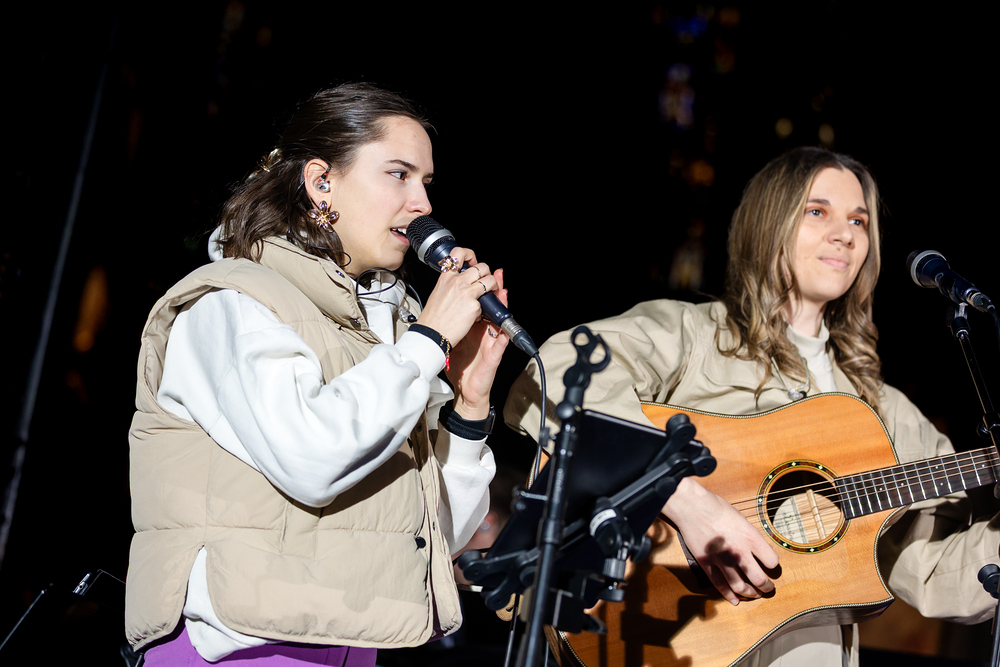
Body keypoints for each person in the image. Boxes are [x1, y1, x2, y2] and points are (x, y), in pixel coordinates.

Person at [504, 147, 999, 666]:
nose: (845, 234)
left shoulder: (884, 411)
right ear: (769, 222)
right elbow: (557, 373)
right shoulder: (697, 336)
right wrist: (684, 498)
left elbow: (936, 574)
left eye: (859, 221)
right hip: (669, 641)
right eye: (817, 211)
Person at [126, 83, 510, 666]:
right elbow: (312, 460)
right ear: (320, 181)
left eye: (426, 182)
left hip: (353, 643)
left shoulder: (391, 332)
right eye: (399, 175)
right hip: (242, 649)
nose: (422, 204)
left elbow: (428, 540)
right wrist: (429, 340)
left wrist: (471, 404)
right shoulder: (234, 302)